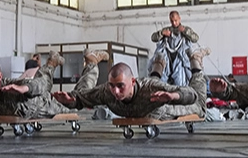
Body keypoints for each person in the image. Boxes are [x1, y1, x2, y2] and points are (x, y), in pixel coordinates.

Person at [54, 48, 211, 120]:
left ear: (132, 81)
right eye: (112, 86)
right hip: (150, 97)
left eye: (120, 86)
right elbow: (83, 98)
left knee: (200, 106)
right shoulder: (108, 91)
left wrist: (173, 96)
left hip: (175, 107)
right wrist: (71, 101)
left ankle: (196, 61)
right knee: (154, 81)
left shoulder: (151, 88)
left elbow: (192, 94)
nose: (115, 91)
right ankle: (159, 63)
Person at [150, 10, 199, 86]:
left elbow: (195, 38)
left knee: (180, 81)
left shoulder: (185, 29)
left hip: (181, 60)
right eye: (172, 21)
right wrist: (162, 33)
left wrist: (185, 31)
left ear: (179, 18)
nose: (174, 23)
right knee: (162, 80)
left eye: (176, 20)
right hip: (167, 60)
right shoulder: (167, 30)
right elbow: (153, 38)